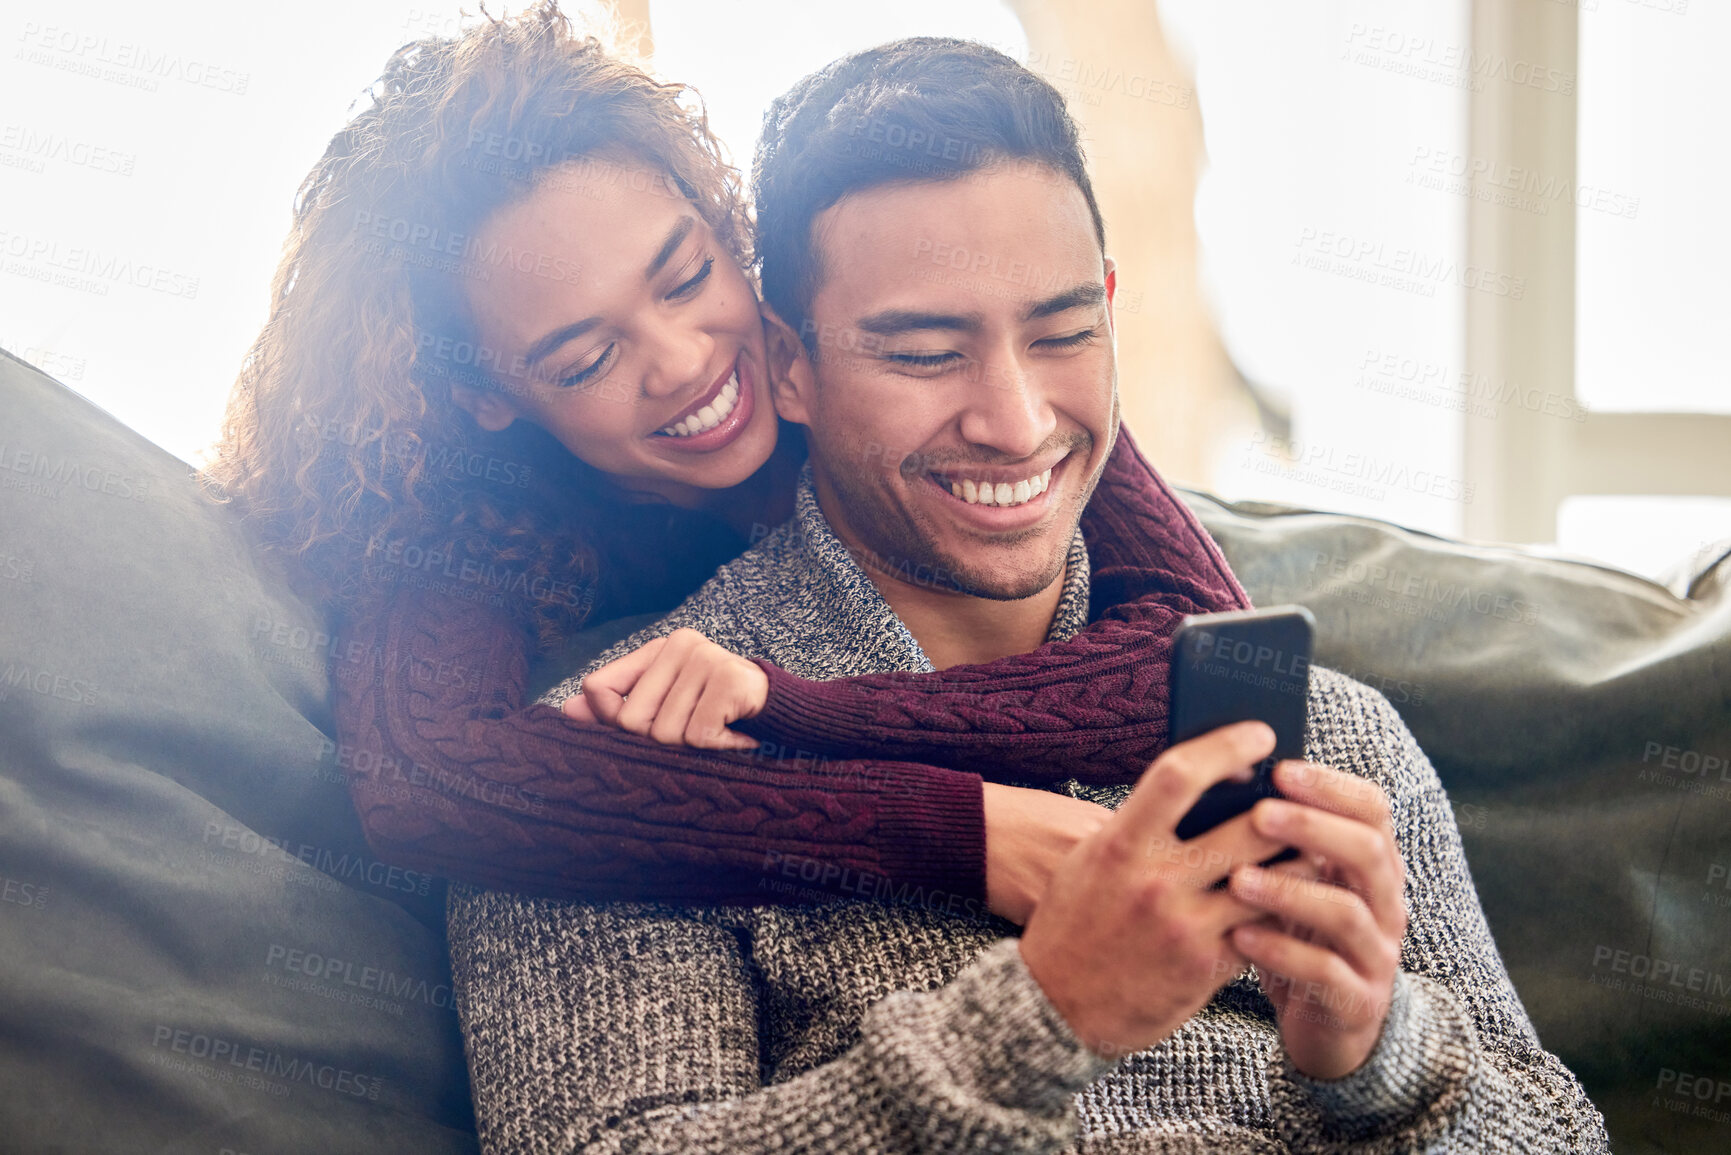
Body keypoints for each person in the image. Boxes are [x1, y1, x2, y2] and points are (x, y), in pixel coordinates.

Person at [446, 37, 1610, 1153]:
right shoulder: (616, 767)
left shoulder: (1329, 738)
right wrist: (1047, 1017)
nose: (1016, 422)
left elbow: (1562, 1138)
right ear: (786, 365)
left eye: (1061, 332)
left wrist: (1378, 1051)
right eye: (922, 354)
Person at [208, 2, 1261, 923]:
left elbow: (1220, 663)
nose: (687, 361)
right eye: (587, 357)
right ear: (479, 393)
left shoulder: (932, 372)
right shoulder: (463, 518)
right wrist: (956, 834)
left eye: (685, 276)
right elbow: (427, 780)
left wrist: (785, 706)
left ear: (723, 223)